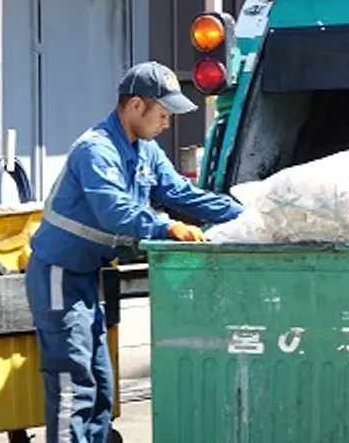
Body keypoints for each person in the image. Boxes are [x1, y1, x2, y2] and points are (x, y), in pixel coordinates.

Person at [25, 60, 243, 443]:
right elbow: (115, 211)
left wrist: (249, 211)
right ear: (136, 105)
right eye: (163, 113)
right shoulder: (96, 150)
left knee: (99, 385)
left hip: (87, 274)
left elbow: (180, 193)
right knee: (73, 382)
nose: (167, 123)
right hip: (60, 273)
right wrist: (168, 226)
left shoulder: (146, 150)